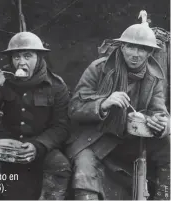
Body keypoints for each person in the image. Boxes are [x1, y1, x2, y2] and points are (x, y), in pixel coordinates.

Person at [65, 22, 170, 200]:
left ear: (150, 53)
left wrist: (160, 124)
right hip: (97, 139)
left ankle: (164, 196)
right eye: (130, 47)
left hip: (132, 142)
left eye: (142, 49)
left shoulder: (155, 77)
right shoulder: (99, 69)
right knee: (84, 170)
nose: (135, 55)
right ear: (122, 47)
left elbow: (160, 113)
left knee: (167, 146)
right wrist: (103, 104)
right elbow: (74, 108)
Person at [0, 31, 71, 200]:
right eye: (16, 57)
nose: (21, 62)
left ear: (39, 58)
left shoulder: (56, 86)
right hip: (6, 141)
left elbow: (61, 127)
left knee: (60, 167)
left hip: (40, 142)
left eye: (28, 56)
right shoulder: (4, 80)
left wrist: (38, 145)